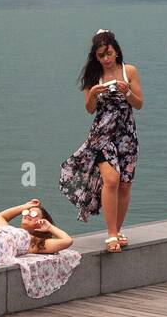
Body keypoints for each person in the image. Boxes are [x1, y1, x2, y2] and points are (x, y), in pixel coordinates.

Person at [59, 29, 144, 252]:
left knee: (125, 185)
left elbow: (139, 103)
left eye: (108, 53)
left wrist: (127, 92)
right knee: (112, 181)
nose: (105, 59)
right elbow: (89, 109)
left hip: (126, 136)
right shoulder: (93, 76)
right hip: (101, 136)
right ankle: (111, 234)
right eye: (100, 55)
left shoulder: (129, 71)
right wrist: (94, 94)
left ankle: (117, 229)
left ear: (116, 51)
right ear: (95, 57)